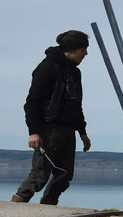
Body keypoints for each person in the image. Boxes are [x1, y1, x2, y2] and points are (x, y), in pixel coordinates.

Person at [12, 30, 92, 205]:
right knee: (39, 175)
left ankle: (47, 210)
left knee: (64, 175)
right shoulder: (47, 67)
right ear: (72, 49)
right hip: (49, 128)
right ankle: (13, 210)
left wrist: (82, 132)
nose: (86, 53)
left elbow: (76, 104)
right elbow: (32, 102)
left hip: (68, 129)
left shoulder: (75, 73)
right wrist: (34, 132)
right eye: (83, 49)